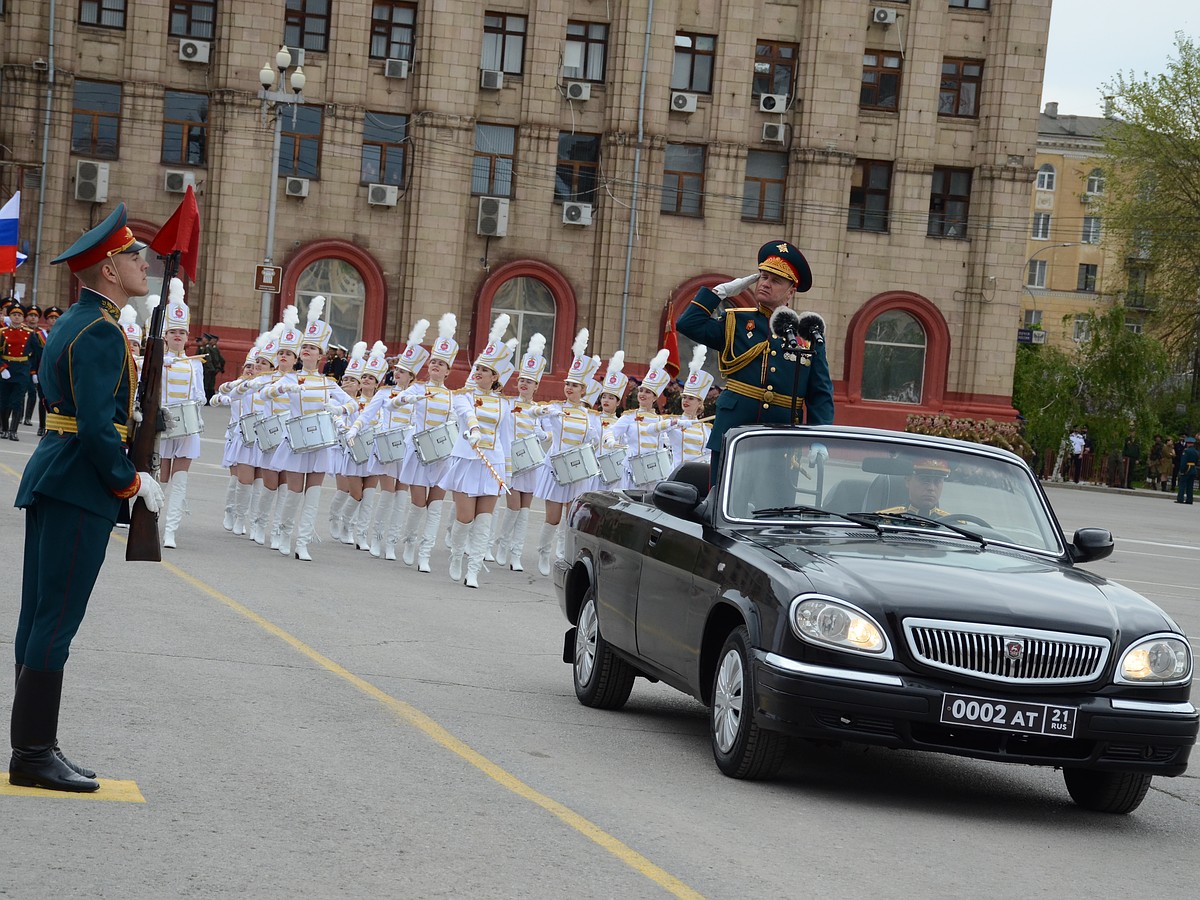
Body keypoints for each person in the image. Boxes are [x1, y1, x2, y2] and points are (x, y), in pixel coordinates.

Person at [11, 203, 164, 792]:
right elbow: (97, 428)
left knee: (40, 615)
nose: (142, 263)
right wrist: (130, 482)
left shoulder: (83, 321)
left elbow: (95, 412)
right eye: (132, 256)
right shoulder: (99, 330)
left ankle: (37, 745)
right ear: (107, 269)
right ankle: (32, 753)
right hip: (79, 483)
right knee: (56, 619)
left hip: (60, 474)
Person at [676, 239, 834, 480]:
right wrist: (720, 293)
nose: (765, 284)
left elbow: (819, 391)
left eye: (776, 280)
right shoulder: (735, 321)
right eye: (763, 277)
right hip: (733, 431)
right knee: (721, 504)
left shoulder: (806, 333)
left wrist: (819, 437)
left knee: (772, 509)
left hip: (781, 440)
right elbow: (688, 323)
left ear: (791, 291)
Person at [1, 301, 41, 441]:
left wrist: (35, 371)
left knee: (17, 401)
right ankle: (4, 428)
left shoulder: (29, 334)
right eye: (14, 314)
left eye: (19, 315)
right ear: (10, 316)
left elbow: (38, 353)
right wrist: (2, 368)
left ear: (23, 318)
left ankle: (13, 431)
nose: (17, 317)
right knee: (4, 401)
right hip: (6, 369)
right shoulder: (3, 332)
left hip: (22, 369)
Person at [878, 458, 951, 517]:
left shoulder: (954, 524)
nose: (931, 488)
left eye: (937, 482)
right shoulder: (887, 518)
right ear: (908, 481)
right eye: (925, 480)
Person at [1176, 436, 1198, 505]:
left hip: (1187, 469)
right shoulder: (1196, 452)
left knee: (1182, 484)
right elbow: (1196, 461)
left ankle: (1180, 499)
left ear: (1188, 443)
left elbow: (1183, 462)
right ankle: (1189, 499)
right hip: (1193, 468)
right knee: (1190, 485)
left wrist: (1182, 470)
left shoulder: (1186, 451)